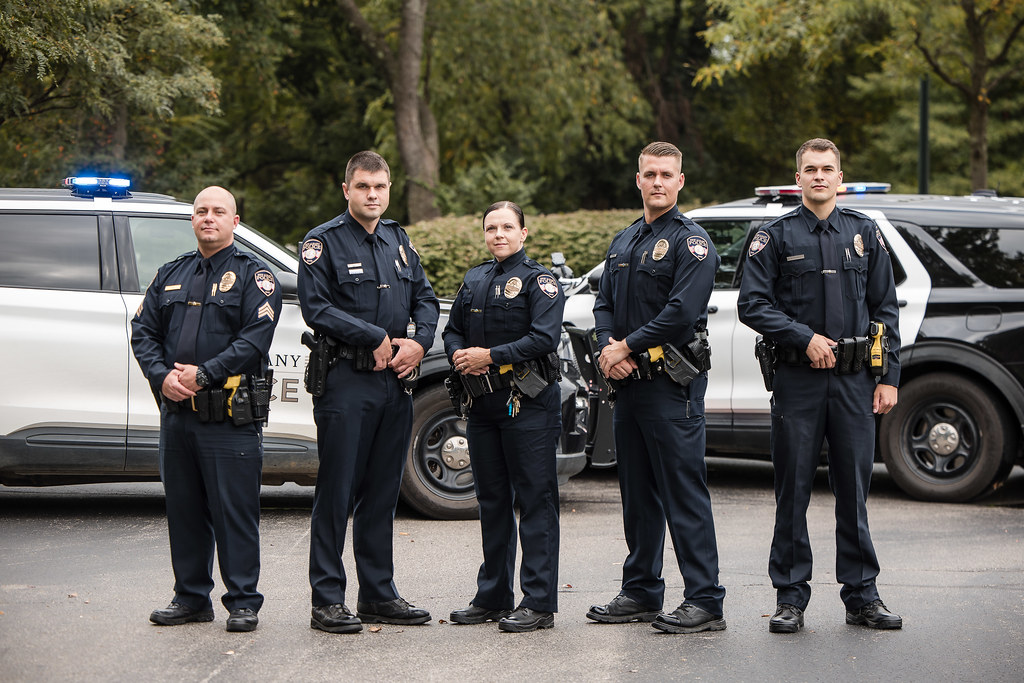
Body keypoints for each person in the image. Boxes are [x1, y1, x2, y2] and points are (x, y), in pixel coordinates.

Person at [737, 138, 902, 632]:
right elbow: (753, 304)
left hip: (854, 383)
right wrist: (803, 337)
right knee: (793, 492)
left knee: (854, 491)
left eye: (827, 169)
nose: (819, 176)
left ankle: (862, 597)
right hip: (797, 381)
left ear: (840, 177)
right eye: (810, 169)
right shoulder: (775, 236)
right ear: (798, 177)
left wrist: (888, 377)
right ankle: (790, 597)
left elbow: (886, 309)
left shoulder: (864, 233)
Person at [298, 151, 440, 634]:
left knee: (382, 493)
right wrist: (374, 338)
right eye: (363, 187)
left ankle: (378, 595)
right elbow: (316, 309)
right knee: (337, 493)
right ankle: (327, 600)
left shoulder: (398, 239)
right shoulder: (323, 243)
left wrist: (419, 342)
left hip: (394, 382)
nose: (373, 195)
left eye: (380, 187)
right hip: (346, 382)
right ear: (347, 190)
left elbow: (424, 296)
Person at [588, 141, 727, 634]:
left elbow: (681, 313)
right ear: (639, 179)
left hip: (672, 387)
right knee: (638, 496)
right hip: (629, 387)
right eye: (650, 174)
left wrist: (623, 347)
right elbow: (603, 302)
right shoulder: (624, 242)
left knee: (683, 493)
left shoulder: (693, 243)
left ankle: (706, 600)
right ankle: (642, 591)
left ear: (680, 181)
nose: (658, 182)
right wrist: (610, 348)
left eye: (667, 174)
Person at [131, 186, 282, 633]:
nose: (208, 218)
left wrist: (203, 374)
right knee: (184, 508)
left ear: (236, 222)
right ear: (192, 220)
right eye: (201, 211)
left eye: (219, 212)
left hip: (229, 416)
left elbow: (254, 339)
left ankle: (242, 601)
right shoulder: (170, 273)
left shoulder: (256, 276)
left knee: (234, 511)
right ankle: (191, 597)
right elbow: (143, 332)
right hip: (178, 415)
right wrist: (163, 377)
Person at [443, 201, 565, 633]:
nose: (498, 234)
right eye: (491, 227)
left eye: (507, 227)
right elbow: (452, 328)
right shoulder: (474, 278)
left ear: (523, 233)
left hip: (526, 405)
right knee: (492, 502)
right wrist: (459, 353)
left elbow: (544, 337)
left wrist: (489, 356)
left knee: (535, 501)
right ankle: (493, 595)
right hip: (483, 407)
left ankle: (539, 603)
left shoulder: (540, 282)